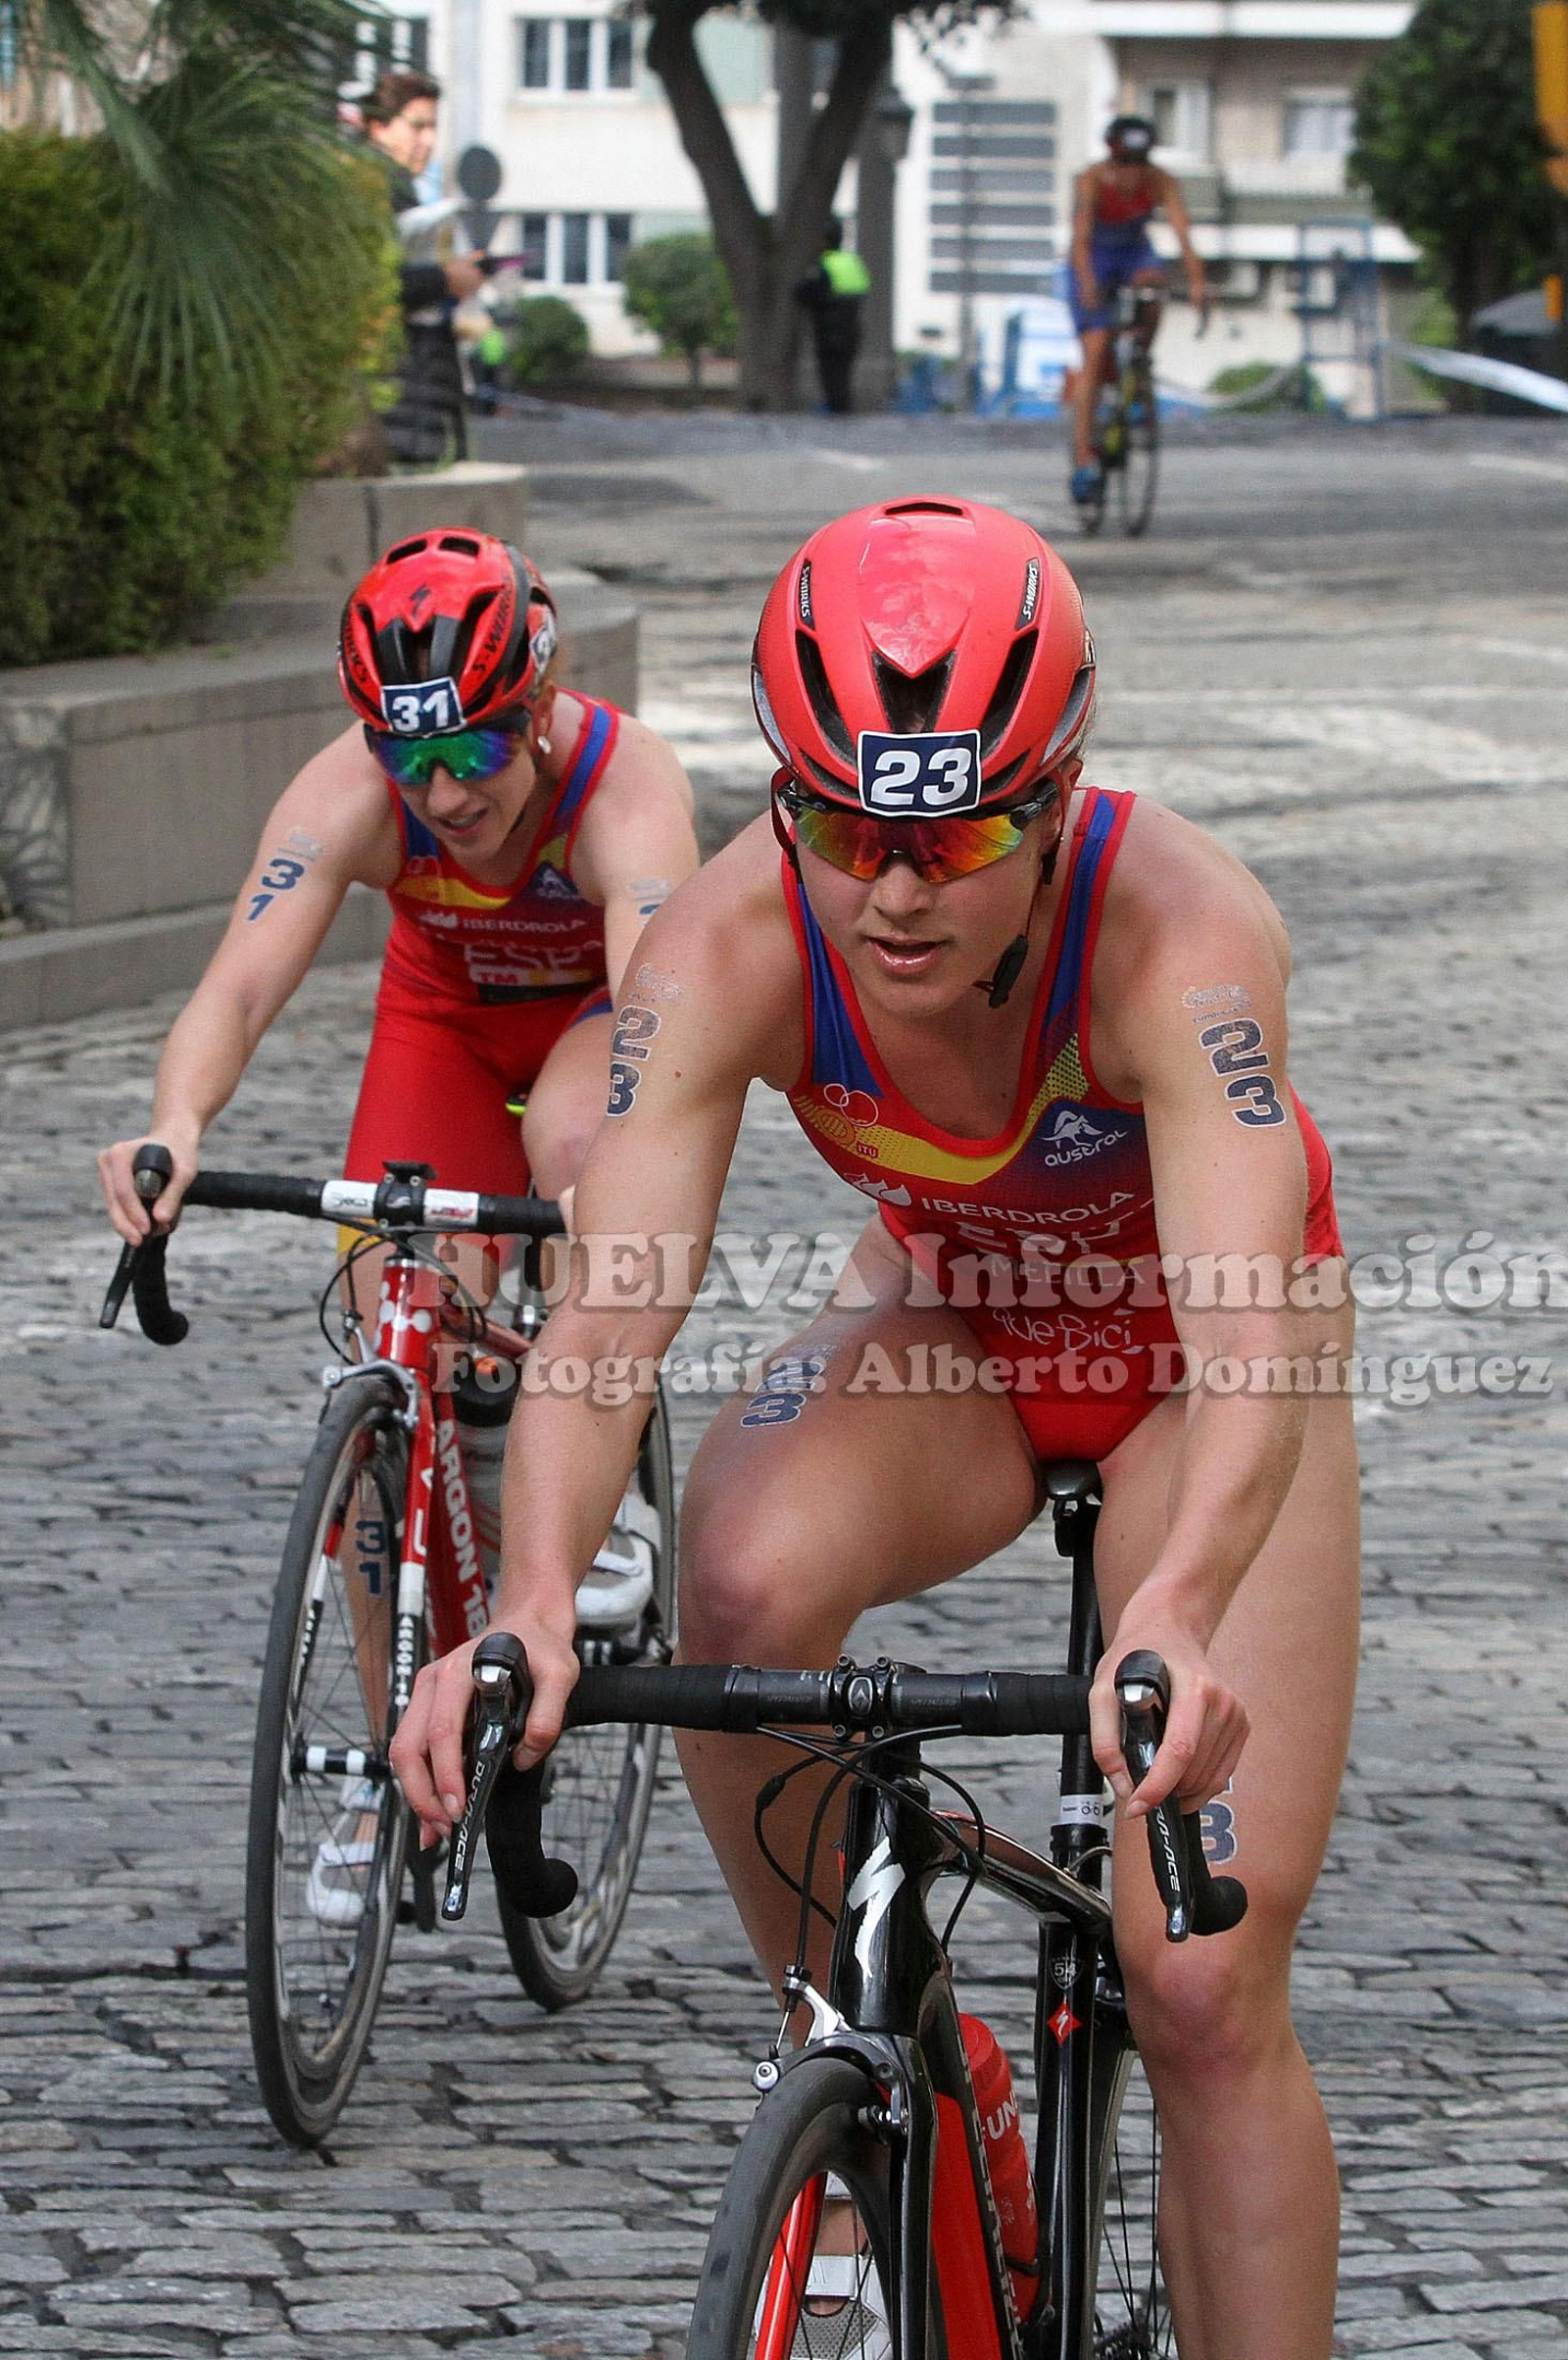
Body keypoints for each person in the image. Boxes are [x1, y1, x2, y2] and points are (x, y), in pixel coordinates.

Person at [393, 498, 1358, 2358]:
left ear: (1059, 796)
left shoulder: (1185, 931)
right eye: (841, 826)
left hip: (1198, 1368)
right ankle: (872, 2039)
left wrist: (1175, 1603)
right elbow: (612, 1309)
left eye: (954, 835)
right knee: (738, 1576)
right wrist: (523, 1598)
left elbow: (1247, 1345)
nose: (892, 891)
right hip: (960, 1325)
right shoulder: (727, 935)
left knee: (1206, 1978)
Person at [99, 526, 700, 1622]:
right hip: (445, 1028)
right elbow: (235, 987)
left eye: (472, 753)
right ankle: (389, 1779)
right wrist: (175, 1124)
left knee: (578, 1143)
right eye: (406, 756)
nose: (443, 793)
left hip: (594, 1019)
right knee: (394, 1358)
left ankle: (590, 1481)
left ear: (540, 704)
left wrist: (626, 1174)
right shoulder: (347, 794)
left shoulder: (628, 790)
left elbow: (661, 1041)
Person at [1067, 113, 1208, 508]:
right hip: (1094, 256)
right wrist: (1088, 284)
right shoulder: (1093, 180)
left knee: (1154, 285)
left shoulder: (1160, 181)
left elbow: (1182, 232)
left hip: (1133, 254)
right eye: (1125, 164)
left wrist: (1197, 283)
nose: (1132, 174)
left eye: (1139, 164)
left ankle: (1140, 360)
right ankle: (1083, 459)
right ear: (1112, 161)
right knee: (1094, 351)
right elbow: (1079, 240)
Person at [363, 69, 488, 466]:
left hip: (416, 393)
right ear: (378, 127)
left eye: (434, 128)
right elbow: (371, 288)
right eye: (417, 127)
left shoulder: (398, 187)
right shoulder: (368, 186)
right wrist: (445, 279)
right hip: (395, 394)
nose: (429, 142)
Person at [793, 217, 871, 415]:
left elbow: (806, 292)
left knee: (830, 373)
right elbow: (863, 288)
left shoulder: (824, 264)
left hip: (829, 327)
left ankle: (836, 411)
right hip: (851, 326)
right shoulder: (853, 262)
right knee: (843, 372)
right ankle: (843, 409)